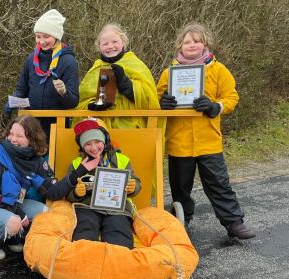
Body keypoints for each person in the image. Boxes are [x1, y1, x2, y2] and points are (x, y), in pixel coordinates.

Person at [157, 23, 255, 239]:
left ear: (205, 43)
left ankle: (233, 223)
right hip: (178, 141)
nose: (191, 45)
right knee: (180, 189)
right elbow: (157, 99)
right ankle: (180, 223)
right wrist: (163, 103)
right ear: (180, 45)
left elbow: (231, 97)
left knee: (219, 184)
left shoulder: (218, 70)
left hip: (209, 140)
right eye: (187, 41)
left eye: (196, 40)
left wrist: (215, 107)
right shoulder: (168, 73)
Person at [0, 116, 99, 260]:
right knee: (14, 221)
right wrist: (20, 214)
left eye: (19, 136)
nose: (13, 139)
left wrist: (80, 171)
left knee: (45, 213)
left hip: (12, 204)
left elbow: (53, 192)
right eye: (11, 134)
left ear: (32, 139)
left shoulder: (35, 160)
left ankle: (11, 237)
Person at [66, 118, 140, 249]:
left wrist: (132, 188)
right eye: (88, 144)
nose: (94, 148)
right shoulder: (77, 164)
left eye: (97, 142)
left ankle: (119, 261)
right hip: (87, 207)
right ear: (82, 146)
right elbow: (68, 193)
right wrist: (76, 193)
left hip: (118, 208)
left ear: (105, 140)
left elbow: (136, 183)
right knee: (84, 229)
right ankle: (83, 260)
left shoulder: (121, 160)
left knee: (119, 231)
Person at [7, 9, 79, 138]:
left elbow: (73, 102)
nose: (42, 41)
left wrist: (64, 93)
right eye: (38, 36)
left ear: (57, 36)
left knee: (53, 158)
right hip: (32, 125)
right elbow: (22, 89)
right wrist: (13, 102)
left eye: (46, 36)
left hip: (57, 125)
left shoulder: (68, 61)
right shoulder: (31, 59)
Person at [76, 24, 159, 129]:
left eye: (115, 42)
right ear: (99, 47)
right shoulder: (95, 69)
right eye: (105, 44)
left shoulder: (136, 64)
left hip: (131, 127)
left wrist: (127, 85)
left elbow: (150, 99)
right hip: (100, 131)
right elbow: (81, 100)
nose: (110, 46)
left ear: (123, 42)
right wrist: (93, 105)